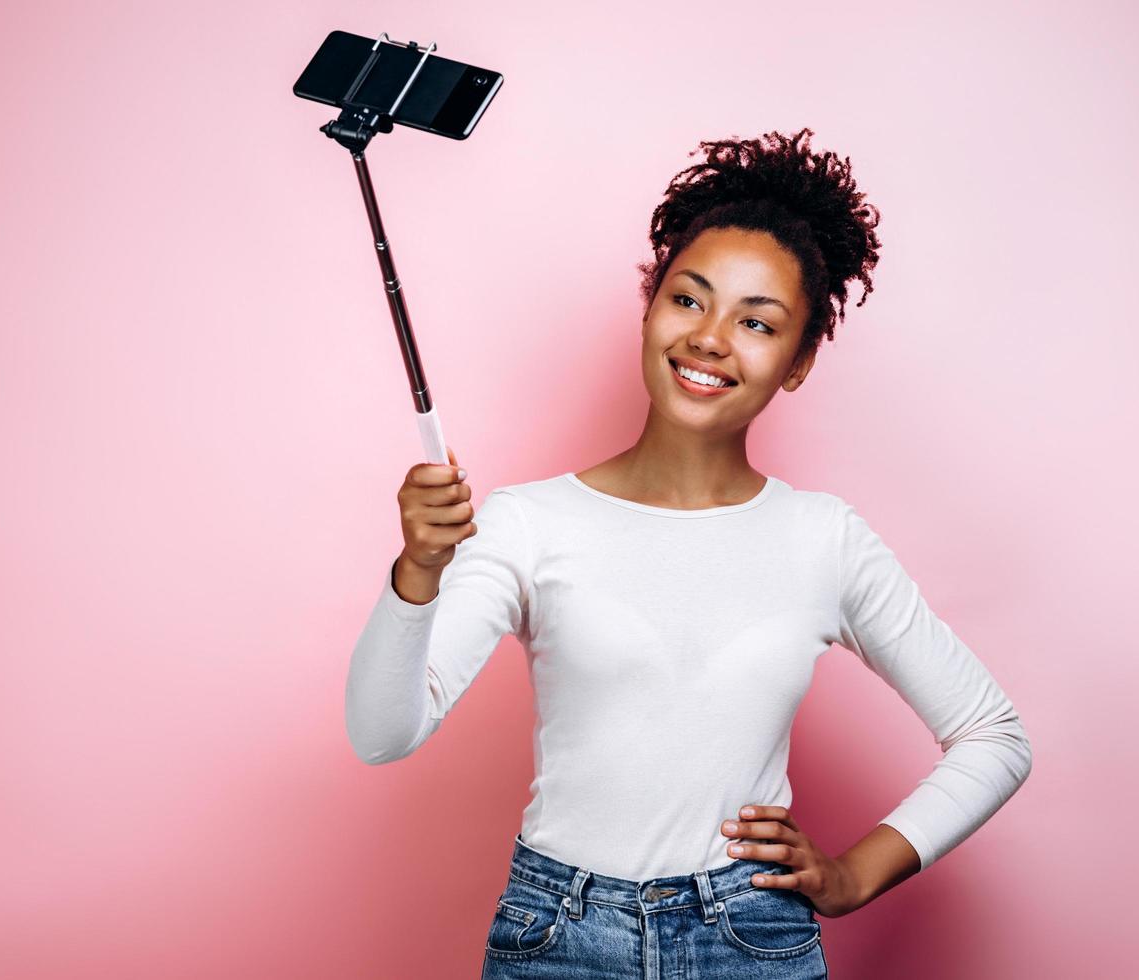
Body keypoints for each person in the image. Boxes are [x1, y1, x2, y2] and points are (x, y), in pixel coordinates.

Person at [346, 128, 1033, 979]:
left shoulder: (822, 538)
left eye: (756, 321)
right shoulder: (528, 522)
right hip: (557, 938)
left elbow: (993, 736)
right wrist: (417, 572)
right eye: (688, 299)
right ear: (649, 307)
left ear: (798, 362)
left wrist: (856, 874)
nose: (710, 338)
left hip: (751, 939)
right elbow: (382, 734)